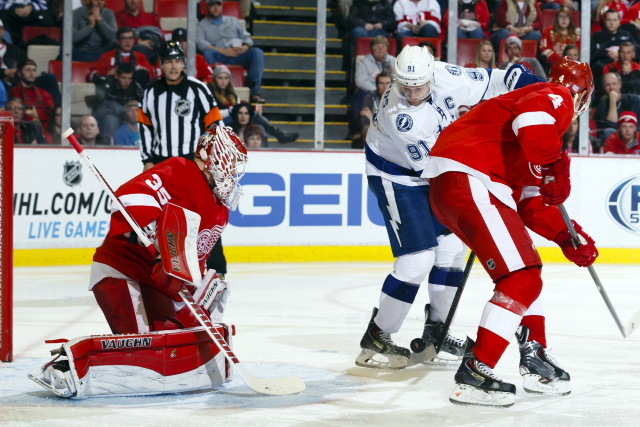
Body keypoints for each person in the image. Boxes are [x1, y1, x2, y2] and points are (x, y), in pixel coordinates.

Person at [422, 58, 597, 407]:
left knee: (523, 268)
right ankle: (476, 370)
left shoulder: (533, 135)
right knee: (522, 277)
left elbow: (532, 202)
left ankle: (534, 352)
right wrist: (552, 164)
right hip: (470, 177)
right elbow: (532, 118)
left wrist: (568, 235)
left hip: (457, 185)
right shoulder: (554, 96)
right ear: (583, 97)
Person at [356, 45, 544, 370]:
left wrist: (537, 89)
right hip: (396, 174)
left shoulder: (446, 75)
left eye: (418, 85)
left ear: (431, 75)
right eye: (405, 86)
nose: (412, 92)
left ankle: (437, 331)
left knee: (452, 249)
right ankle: (378, 334)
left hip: (435, 168)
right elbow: (436, 168)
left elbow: (497, 79)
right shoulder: (401, 117)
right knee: (417, 260)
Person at [29, 126, 248, 398]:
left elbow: (189, 263)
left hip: (156, 280)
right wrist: (151, 228)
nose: (234, 175)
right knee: (140, 346)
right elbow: (129, 197)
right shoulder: (180, 170)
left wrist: (184, 298)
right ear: (212, 158)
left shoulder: (220, 211)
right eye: (232, 165)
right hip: (120, 271)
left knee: (173, 335)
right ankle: (66, 365)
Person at [139, 41, 222, 170]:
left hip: (192, 160)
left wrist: (214, 157)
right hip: (160, 160)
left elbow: (216, 124)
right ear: (161, 64)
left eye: (177, 61)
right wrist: (147, 160)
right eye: (168, 61)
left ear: (183, 64)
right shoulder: (150, 91)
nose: (173, 66)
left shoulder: (198, 88)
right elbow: (144, 127)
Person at [196, 0, 266, 104]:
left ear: (222, 6)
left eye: (218, 4)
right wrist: (224, 51)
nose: (215, 7)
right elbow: (202, 44)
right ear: (207, 7)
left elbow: (248, 38)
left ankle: (254, 92)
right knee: (208, 52)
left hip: (238, 55)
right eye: (212, 5)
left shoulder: (233, 21)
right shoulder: (201, 25)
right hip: (218, 57)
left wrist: (245, 48)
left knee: (257, 52)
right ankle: (215, 90)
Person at [210, 65, 298, 143]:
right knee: (253, 114)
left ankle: (267, 147)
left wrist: (237, 110)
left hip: (234, 122)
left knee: (259, 127)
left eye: (226, 78)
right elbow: (210, 114)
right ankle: (280, 134)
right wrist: (230, 111)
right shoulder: (209, 94)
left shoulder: (233, 95)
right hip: (217, 123)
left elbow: (237, 110)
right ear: (215, 79)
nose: (223, 81)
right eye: (220, 78)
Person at [87, 26, 155, 87]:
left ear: (134, 41)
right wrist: (106, 73)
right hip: (113, 91)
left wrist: (145, 71)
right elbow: (91, 75)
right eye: (124, 38)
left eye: (130, 38)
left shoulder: (140, 56)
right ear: (118, 41)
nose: (128, 42)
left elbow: (151, 75)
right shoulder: (107, 56)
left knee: (143, 73)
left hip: (134, 92)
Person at [92, 62, 143, 139]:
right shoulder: (107, 86)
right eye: (123, 78)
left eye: (129, 78)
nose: (127, 82)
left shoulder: (136, 88)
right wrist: (122, 110)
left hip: (130, 119)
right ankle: (111, 147)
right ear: (116, 76)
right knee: (111, 119)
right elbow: (99, 110)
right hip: (108, 120)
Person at [591, 9, 637, 90]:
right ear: (604, 21)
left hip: (625, 65)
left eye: (614, 20)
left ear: (619, 21)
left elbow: (636, 50)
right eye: (609, 20)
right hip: (603, 67)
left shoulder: (626, 35)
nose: (612, 23)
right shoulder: (596, 36)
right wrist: (606, 53)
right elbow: (591, 57)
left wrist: (620, 54)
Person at [9, 59, 54, 129]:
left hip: (44, 131)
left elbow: (49, 113)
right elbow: (18, 113)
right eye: (28, 70)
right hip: (23, 130)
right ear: (19, 74)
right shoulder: (14, 91)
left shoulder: (43, 93)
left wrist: (31, 112)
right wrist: (38, 114)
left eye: (34, 70)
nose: (31, 73)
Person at [595, 72, 640, 141]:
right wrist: (612, 102)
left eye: (614, 84)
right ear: (604, 88)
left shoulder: (634, 99)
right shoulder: (602, 103)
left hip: (634, 134)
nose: (611, 88)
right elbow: (610, 126)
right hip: (616, 138)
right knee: (608, 132)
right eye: (608, 85)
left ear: (620, 85)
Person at [352, 71, 391, 149]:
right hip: (375, 129)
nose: (385, 86)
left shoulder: (397, 100)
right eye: (381, 83)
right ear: (376, 86)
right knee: (367, 129)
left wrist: (372, 118)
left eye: (387, 83)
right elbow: (364, 120)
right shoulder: (369, 98)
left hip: (391, 131)